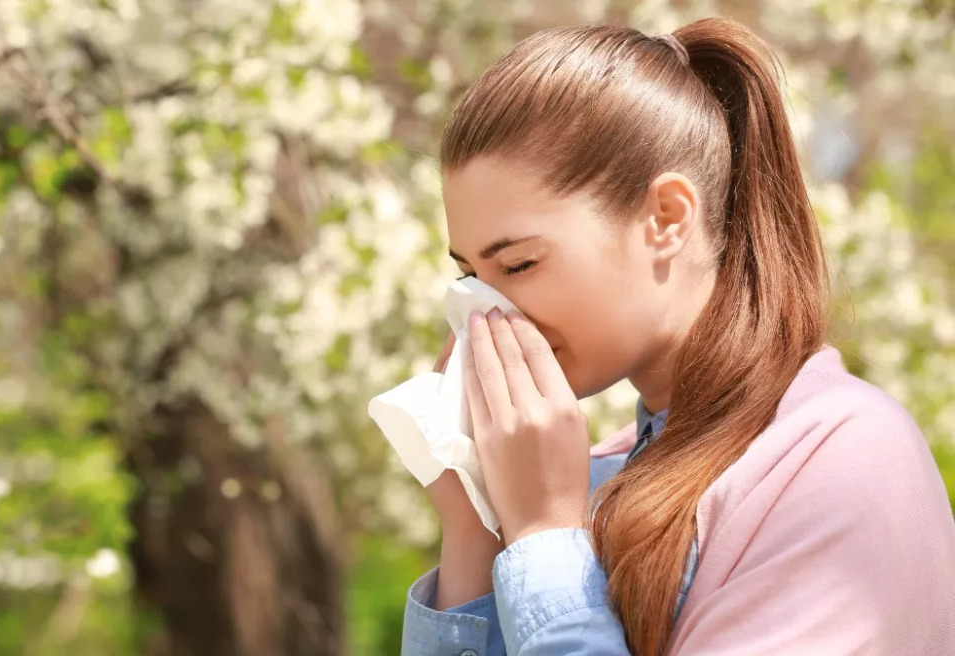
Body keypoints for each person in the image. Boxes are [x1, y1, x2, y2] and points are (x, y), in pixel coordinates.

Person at [400, 16, 955, 656]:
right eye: (470, 273)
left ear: (665, 219)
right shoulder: (596, 478)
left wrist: (544, 536)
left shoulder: (837, 457)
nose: (485, 308)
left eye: (519, 264)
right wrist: (476, 526)